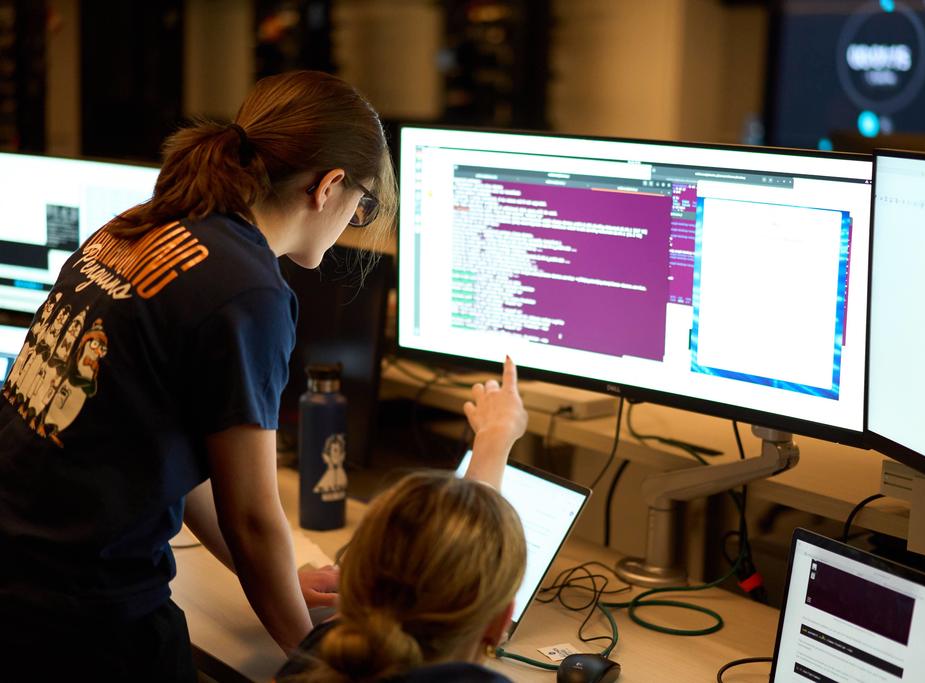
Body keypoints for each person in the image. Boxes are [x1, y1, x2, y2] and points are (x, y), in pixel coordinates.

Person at [0, 70, 395, 682]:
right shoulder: (246, 288)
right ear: (330, 186)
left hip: (22, 585)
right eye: (363, 205)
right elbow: (253, 516)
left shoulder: (145, 225)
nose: (355, 220)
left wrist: (280, 578)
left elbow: (184, 466)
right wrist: (319, 663)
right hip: (80, 621)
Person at [277, 357, 529, 683]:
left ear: (352, 585)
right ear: (499, 623)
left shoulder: (321, 648)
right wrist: (495, 439)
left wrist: (493, 440)